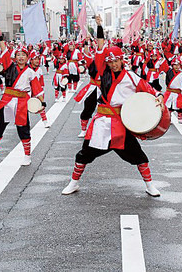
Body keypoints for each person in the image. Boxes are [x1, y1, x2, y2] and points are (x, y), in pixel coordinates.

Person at [61, 15, 162, 197]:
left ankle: (150, 186)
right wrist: (99, 26)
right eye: (110, 61)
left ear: (122, 60)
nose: (113, 64)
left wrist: (159, 97)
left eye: (116, 60)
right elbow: (100, 47)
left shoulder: (131, 77)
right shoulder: (102, 73)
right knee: (84, 154)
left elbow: (149, 89)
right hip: (101, 123)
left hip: (121, 125)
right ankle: (73, 183)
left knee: (138, 156)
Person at [0, 31, 45, 167]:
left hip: (22, 103)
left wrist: (41, 102)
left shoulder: (30, 72)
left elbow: (37, 89)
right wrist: (0, 37)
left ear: (27, 57)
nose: (20, 57)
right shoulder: (8, 66)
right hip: (7, 101)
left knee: (23, 129)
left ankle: (27, 155)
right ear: (15, 57)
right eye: (18, 55)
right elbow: (4, 51)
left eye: (23, 55)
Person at [74, 42, 101, 138]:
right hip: (93, 88)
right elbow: (86, 54)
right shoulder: (92, 62)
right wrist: (86, 43)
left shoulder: (108, 63)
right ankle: (83, 130)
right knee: (88, 108)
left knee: (105, 110)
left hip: (105, 89)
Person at [29, 50, 50, 128]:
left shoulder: (39, 69)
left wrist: (41, 91)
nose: (37, 61)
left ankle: (45, 121)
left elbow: (41, 81)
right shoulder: (27, 69)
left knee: (41, 106)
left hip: (37, 90)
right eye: (35, 59)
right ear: (31, 60)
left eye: (38, 59)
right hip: (28, 90)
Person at [163, 57, 182, 122]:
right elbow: (164, 66)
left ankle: (180, 119)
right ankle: (169, 119)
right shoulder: (169, 72)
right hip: (169, 93)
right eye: (175, 65)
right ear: (172, 65)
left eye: (178, 65)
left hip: (178, 93)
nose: (177, 67)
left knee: (180, 106)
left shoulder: (181, 74)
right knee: (169, 107)